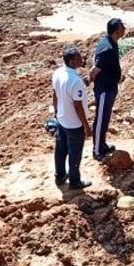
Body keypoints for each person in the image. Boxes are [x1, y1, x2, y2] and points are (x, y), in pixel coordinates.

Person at [51, 46, 93, 190]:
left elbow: (55, 94)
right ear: (72, 61)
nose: (82, 59)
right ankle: (75, 181)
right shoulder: (76, 81)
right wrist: (86, 126)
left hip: (61, 119)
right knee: (75, 153)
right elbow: (78, 107)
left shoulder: (57, 73)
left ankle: (59, 175)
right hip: (74, 123)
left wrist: (56, 112)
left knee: (60, 149)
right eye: (79, 58)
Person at [90, 18, 126, 161]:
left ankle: (102, 144)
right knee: (100, 119)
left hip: (110, 87)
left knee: (105, 118)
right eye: (122, 27)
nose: (125, 28)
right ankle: (97, 150)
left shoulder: (111, 43)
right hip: (104, 89)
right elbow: (95, 70)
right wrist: (89, 79)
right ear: (116, 31)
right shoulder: (107, 48)